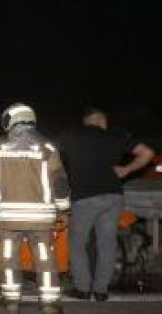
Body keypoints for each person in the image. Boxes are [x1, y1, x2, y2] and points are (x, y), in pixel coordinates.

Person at [0, 103, 71, 314]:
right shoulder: (47, 148)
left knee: (7, 256)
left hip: (7, 216)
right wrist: (63, 210)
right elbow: (60, 183)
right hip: (40, 218)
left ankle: (12, 302)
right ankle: (50, 303)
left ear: (11, 120)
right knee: (44, 257)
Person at [59, 107, 154, 301]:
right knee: (107, 244)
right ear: (102, 120)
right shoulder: (115, 136)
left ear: (86, 121)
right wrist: (126, 170)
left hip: (85, 197)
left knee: (78, 243)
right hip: (113, 196)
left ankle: (82, 288)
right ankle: (101, 291)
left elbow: (58, 161)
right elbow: (147, 153)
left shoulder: (70, 137)